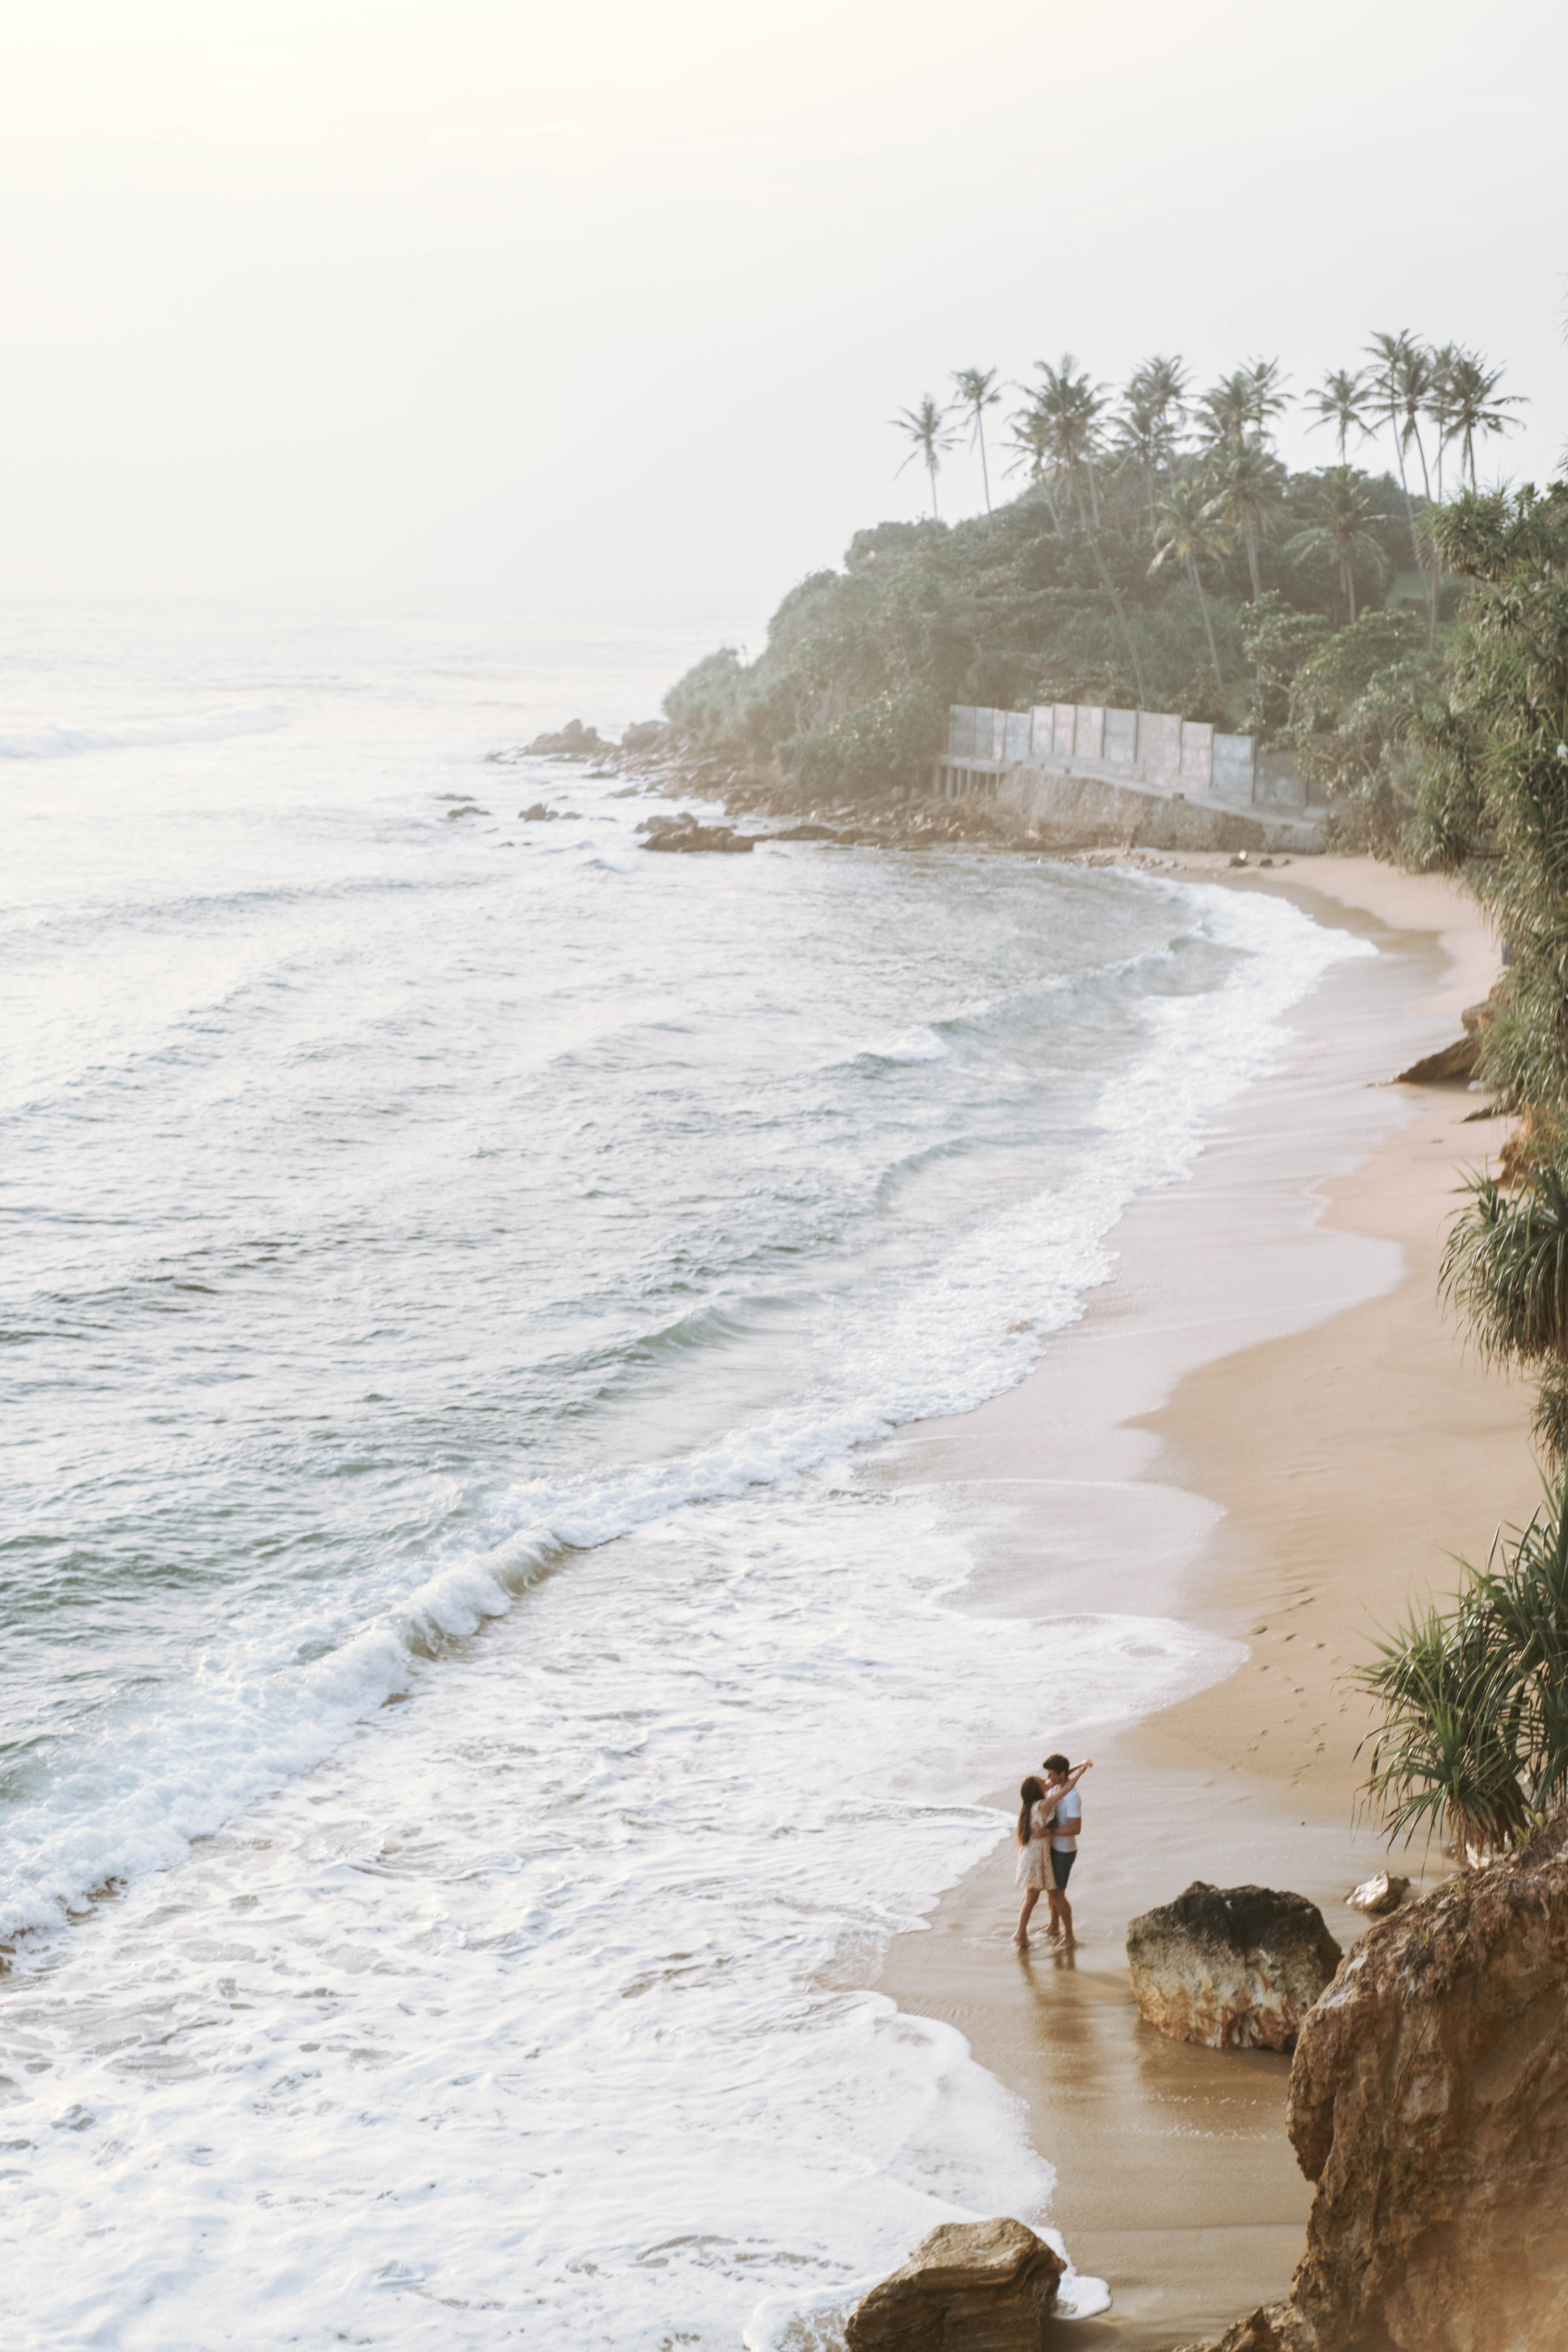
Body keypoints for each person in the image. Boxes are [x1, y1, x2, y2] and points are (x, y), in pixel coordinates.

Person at [1011, 1756, 1091, 1950]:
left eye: (1050, 1775)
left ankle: (1060, 1933)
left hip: (1050, 1853)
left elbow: (1065, 1783)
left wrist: (1080, 1766)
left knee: (1047, 1895)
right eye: (1043, 1780)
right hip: (1039, 1855)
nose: (1047, 1779)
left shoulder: (1036, 1803)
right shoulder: (1044, 1802)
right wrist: (1081, 1770)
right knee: (1035, 1895)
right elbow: (1065, 1784)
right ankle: (1024, 1933)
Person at [1040, 1751, 1090, 1947]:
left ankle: (1070, 1936)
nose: (1049, 1778)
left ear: (1062, 1775)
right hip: (1053, 1848)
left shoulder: (1072, 1797)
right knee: (1051, 1890)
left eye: (1053, 1774)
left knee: (1058, 1894)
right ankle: (1054, 1926)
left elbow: (1076, 1828)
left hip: (1065, 1851)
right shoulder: (1056, 1787)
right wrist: (1082, 1765)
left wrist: (1050, 1833)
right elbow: (1065, 1774)